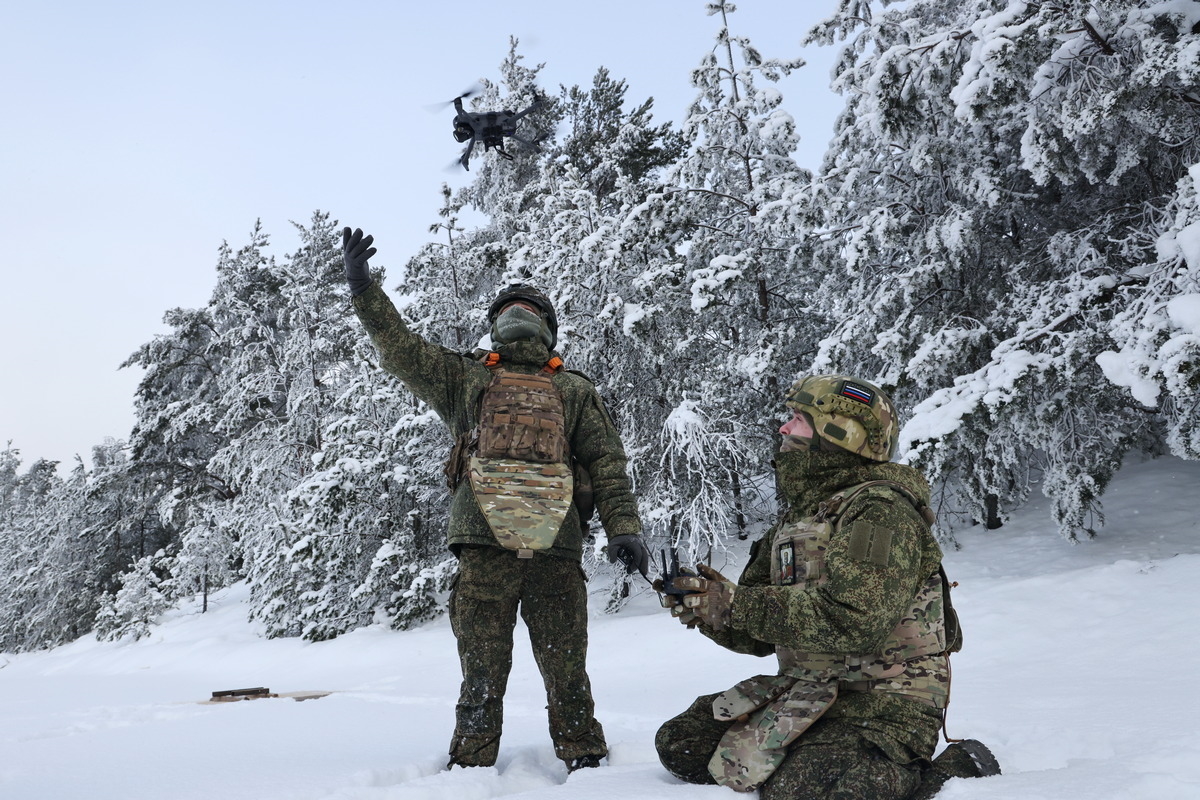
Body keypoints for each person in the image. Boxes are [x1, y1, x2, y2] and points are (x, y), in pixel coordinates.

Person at [342, 227, 648, 772]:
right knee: (566, 670)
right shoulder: (573, 389)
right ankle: (585, 762)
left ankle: (472, 767)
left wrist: (364, 289)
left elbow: (400, 349)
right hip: (555, 548)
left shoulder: (465, 377)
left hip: (483, 547)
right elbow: (606, 463)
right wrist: (624, 527)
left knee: (481, 669)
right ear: (548, 332)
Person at [654, 374, 1000, 799]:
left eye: (799, 419)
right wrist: (710, 608)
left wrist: (738, 603)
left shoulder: (880, 512)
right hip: (810, 690)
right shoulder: (799, 518)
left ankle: (954, 769)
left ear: (842, 432)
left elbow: (854, 622)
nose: (784, 428)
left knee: (801, 790)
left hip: (887, 701)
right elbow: (759, 636)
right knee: (682, 743)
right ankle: (814, 752)